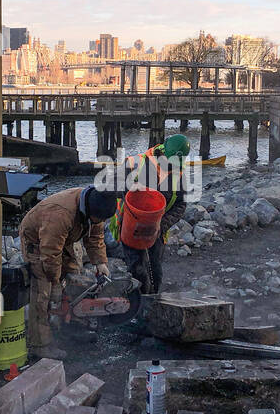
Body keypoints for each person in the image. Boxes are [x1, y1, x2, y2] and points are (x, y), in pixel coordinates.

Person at [17, 185, 117, 360]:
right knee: (43, 293)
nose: (99, 221)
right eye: (98, 218)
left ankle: (71, 329)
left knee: (75, 280)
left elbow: (95, 237)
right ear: (90, 210)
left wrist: (100, 262)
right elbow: (50, 254)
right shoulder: (60, 214)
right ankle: (40, 345)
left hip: (64, 238)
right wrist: (55, 282)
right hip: (38, 243)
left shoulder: (97, 203)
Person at [105, 134, 191, 295]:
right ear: (163, 152)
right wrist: (128, 188)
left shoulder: (179, 174)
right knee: (137, 269)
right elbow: (111, 186)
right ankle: (136, 306)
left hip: (156, 229)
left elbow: (181, 205)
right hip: (130, 225)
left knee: (156, 271)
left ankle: (152, 302)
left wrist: (162, 224)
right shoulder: (135, 163)